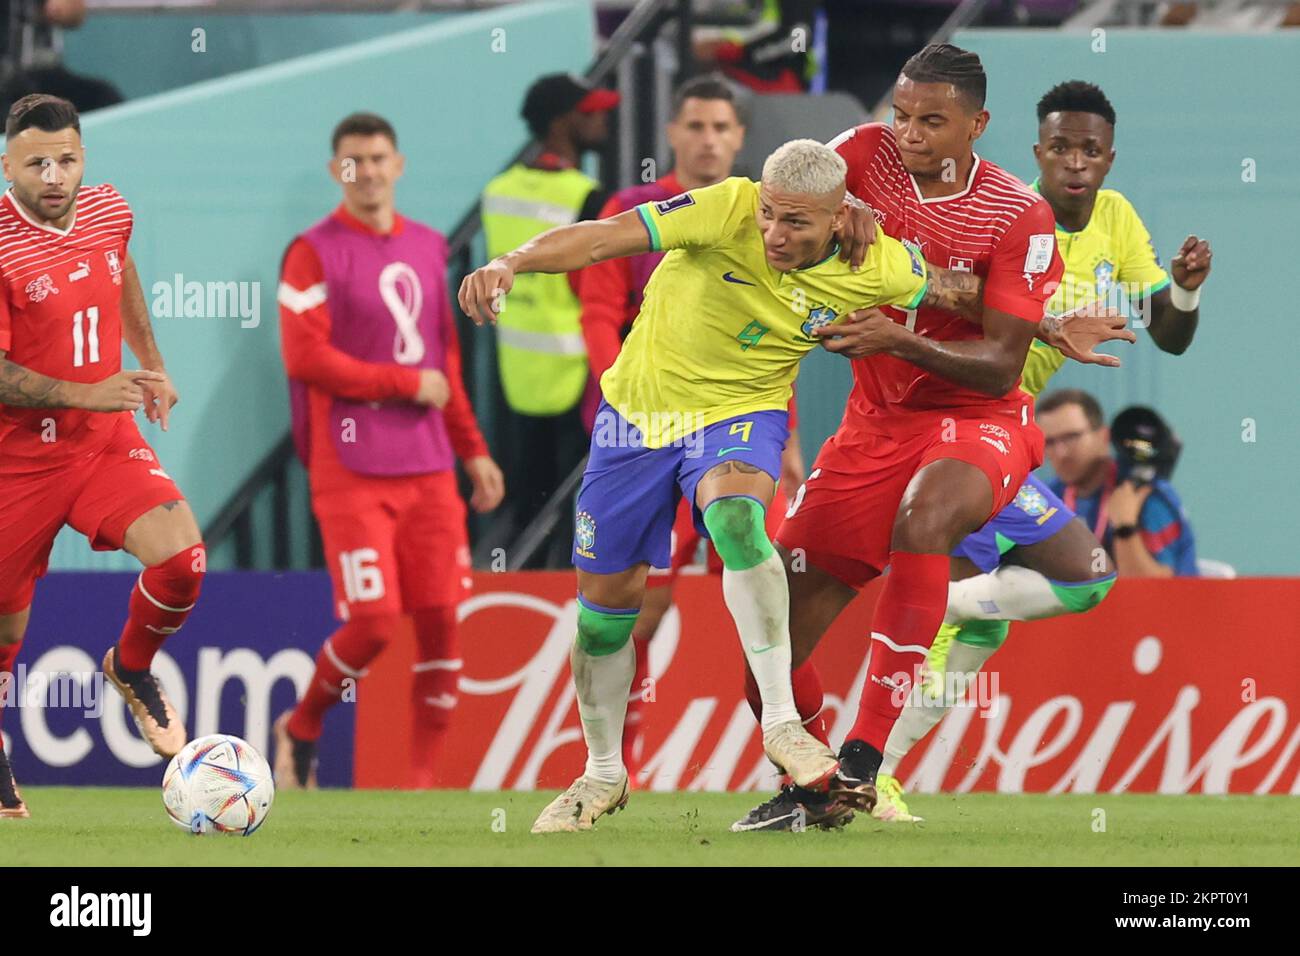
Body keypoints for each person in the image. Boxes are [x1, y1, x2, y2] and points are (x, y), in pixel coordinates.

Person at [460, 138, 990, 832]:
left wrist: (1048, 321)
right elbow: (603, 240)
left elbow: (965, 292)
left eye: (796, 222)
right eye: (771, 214)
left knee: (737, 521)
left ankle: (781, 725)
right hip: (636, 420)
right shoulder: (726, 207)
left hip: (740, 414)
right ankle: (602, 772)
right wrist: (511, 261)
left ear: (838, 219)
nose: (774, 232)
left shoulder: (879, 262)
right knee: (602, 617)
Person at [732, 43, 1092, 832]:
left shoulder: (1018, 215)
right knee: (767, 661)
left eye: (933, 121)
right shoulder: (860, 155)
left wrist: (899, 341)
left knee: (926, 520)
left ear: (978, 125)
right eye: (901, 115)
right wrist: (830, 211)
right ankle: (821, 785)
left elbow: (1002, 365)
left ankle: (865, 755)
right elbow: (782, 197)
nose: (910, 133)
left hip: (979, 419)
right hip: (872, 426)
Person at [871, 80, 1212, 823]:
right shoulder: (1007, 219)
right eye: (1061, 148)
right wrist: (1053, 327)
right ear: (1038, 154)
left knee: (1002, 612)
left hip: (1007, 434)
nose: (1076, 163)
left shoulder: (1116, 221)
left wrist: (1182, 293)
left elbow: (1171, 336)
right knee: (1062, 585)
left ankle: (878, 766)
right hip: (955, 426)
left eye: (1090, 150)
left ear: (1109, 160)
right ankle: (863, 766)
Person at [577, 72, 804, 776]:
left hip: (734, 430)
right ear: (673, 133)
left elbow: (773, 341)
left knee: (758, 581)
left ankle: (793, 760)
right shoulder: (633, 211)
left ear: (739, 139)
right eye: (696, 126)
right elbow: (595, 320)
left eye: (721, 128)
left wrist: (789, 440)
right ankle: (619, 766)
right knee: (639, 610)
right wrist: (638, 411)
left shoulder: (763, 220)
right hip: (639, 432)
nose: (708, 139)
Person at [273, 112, 503, 790]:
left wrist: (474, 452)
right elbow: (304, 355)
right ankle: (304, 724)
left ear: (398, 165)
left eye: (377, 159)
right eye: (353, 162)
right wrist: (405, 384)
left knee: (440, 623)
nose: (367, 172)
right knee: (373, 624)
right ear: (335, 171)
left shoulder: (431, 247)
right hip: (350, 466)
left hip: (429, 467)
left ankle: (419, 788)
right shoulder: (312, 250)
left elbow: (446, 364)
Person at [0, 94, 201, 818]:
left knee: (182, 562)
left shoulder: (110, 208)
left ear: (85, 159)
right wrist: (83, 393)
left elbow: (120, 275)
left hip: (103, 443)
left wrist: (152, 364)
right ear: (7, 166)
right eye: (37, 163)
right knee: (5, 629)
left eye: (67, 159)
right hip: (18, 459)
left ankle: (132, 666)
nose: (54, 175)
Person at [481, 73, 618, 567]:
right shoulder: (587, 195)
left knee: (528, 501)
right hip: (579, 371)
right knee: (580, 505)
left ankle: (519, 586)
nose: (602, 119)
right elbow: (598, 286)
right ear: (564, 122)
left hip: (516, 372)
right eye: (590, 112)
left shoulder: (498, 190)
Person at [1041, 393, 1197, 576]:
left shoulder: (1148, 496)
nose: (1061, 453)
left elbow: (1152, 594)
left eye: (1071, 437)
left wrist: (1125, 528)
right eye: (1049, 442)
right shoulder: (1047, 498)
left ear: (1103, 437)